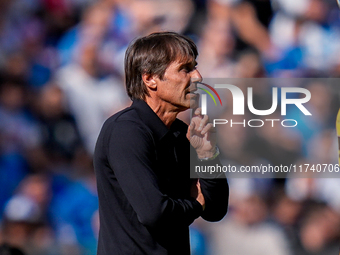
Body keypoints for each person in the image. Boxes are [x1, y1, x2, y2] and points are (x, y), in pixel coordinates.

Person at [94, 31, 229, 255]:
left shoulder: (181, 133)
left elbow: (215, 210)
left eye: (194, 67)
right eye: (185, 69)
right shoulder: (126, 131)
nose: (198, 77)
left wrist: (207, 154)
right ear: (150, 79)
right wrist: (196, 204)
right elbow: (154, 212)